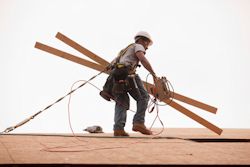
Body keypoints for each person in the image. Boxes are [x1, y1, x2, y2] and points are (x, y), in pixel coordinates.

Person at [100, 31, 158, 136]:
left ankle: (118, 129)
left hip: (116, 77)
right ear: (141, 40)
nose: (147, 47)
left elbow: (110, 65)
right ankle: (139, 123)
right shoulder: (138, 46)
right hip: (128, 74)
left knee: (122, 102)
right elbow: (142, 59)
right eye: (147, 43)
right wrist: (153, 74)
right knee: (143, 97)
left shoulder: (123, 51)